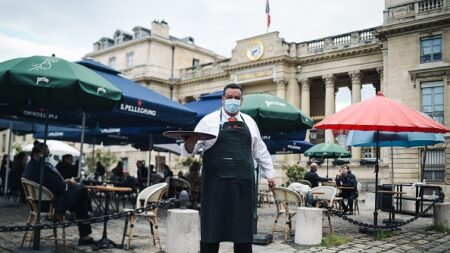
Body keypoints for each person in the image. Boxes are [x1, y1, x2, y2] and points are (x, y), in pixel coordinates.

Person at [183, 83, 275, 253]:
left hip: (243, 185)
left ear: (242, 100)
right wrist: (189, 144)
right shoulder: (208, 120)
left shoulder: (250, 122)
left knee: (243, 232)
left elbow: (260, 150)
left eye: (236, 98)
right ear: (223, 99)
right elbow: (192, 148)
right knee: (212, 229)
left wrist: (270, 174)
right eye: (229, 97)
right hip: (215, 186)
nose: (233, 100)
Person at [22, 140, 95, 245]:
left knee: (80, 196)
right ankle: (85, 231)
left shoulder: (31, 165)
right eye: (48, 154)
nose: (49, 156)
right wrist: (69, 183)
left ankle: (85, 229)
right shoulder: (42, 167)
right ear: (41, 153)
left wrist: (66, 182)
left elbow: (51, 183)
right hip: (52, 204)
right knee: (82, 189)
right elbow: (60, 188)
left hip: (39, 202)